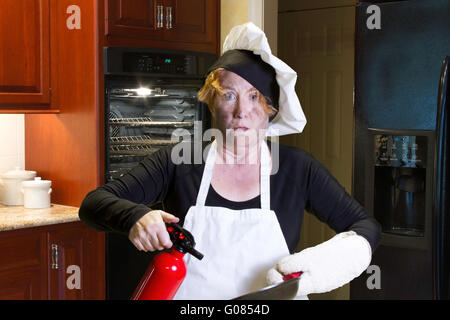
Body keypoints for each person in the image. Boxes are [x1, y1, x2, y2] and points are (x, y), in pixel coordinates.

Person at [79, 22, 381, 300]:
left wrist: (317, 269)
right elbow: (93, 204)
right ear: (212, 101)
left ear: (270, 109)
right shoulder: (179, 161)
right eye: (228, 95)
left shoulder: (297, 168)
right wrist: (134, 216)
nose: (241, 112)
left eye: (254, 97)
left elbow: (365, 226)